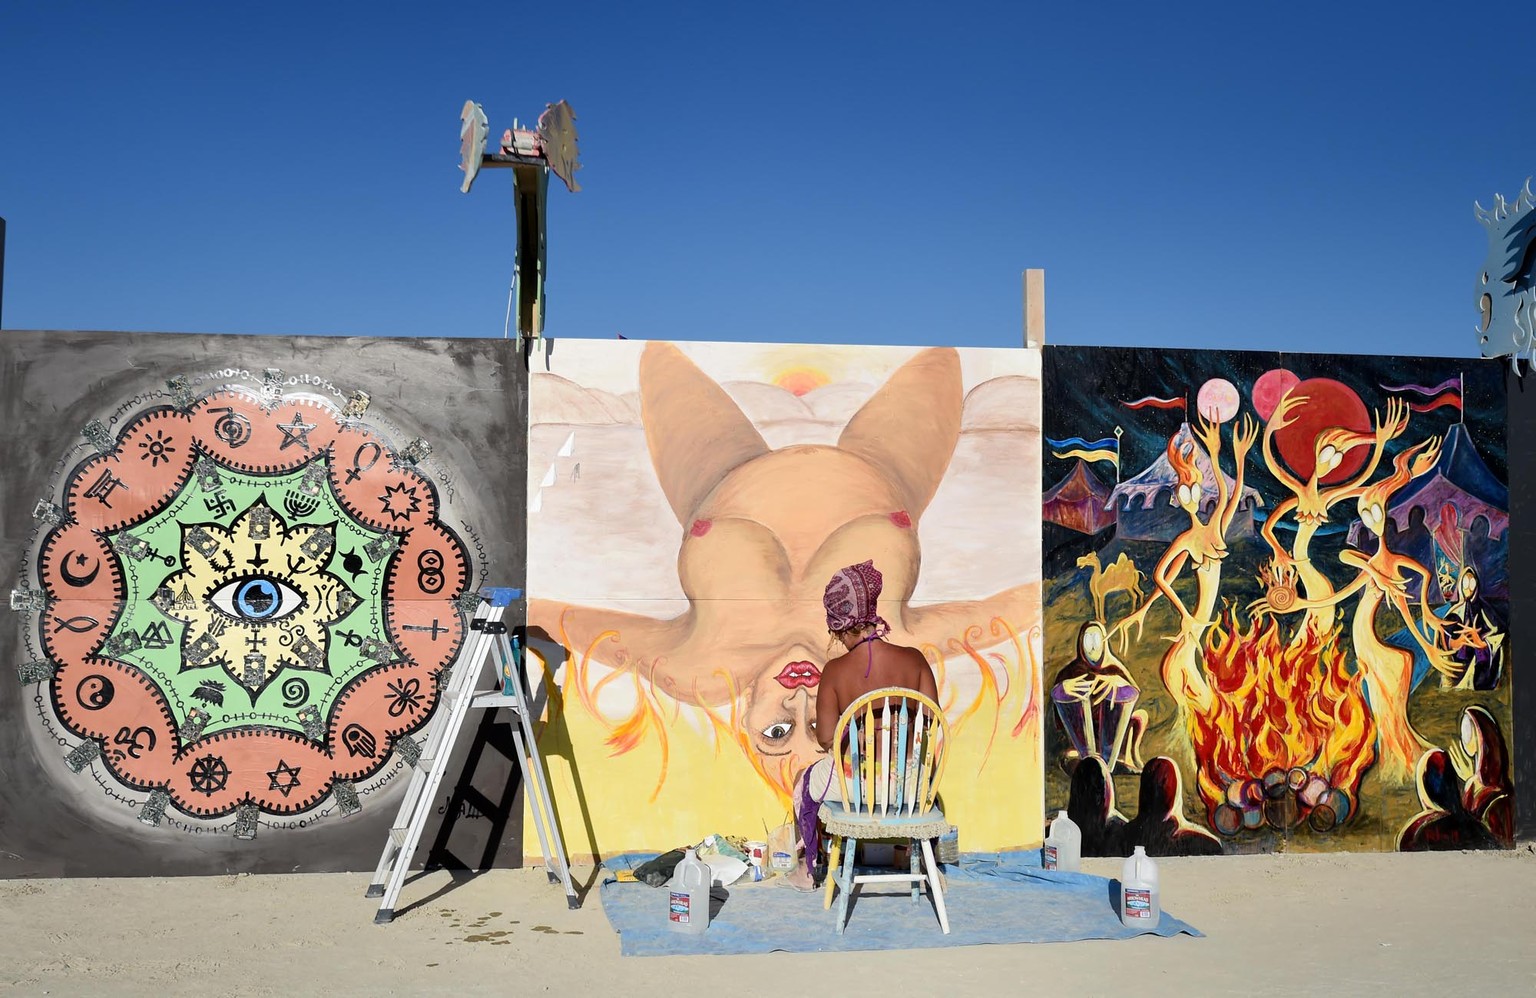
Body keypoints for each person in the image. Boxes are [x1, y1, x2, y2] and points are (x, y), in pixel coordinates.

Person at [786, 560, 939, 891]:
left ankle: (808, 870)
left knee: (804, 780)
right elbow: (931, 719)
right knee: (928, 770)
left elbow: (826, 739)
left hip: (859, 788)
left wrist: (853, 726)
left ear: (839, 626)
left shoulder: (836, 671)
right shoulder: (914, 659)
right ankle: (929, 866)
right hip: (908, 788)